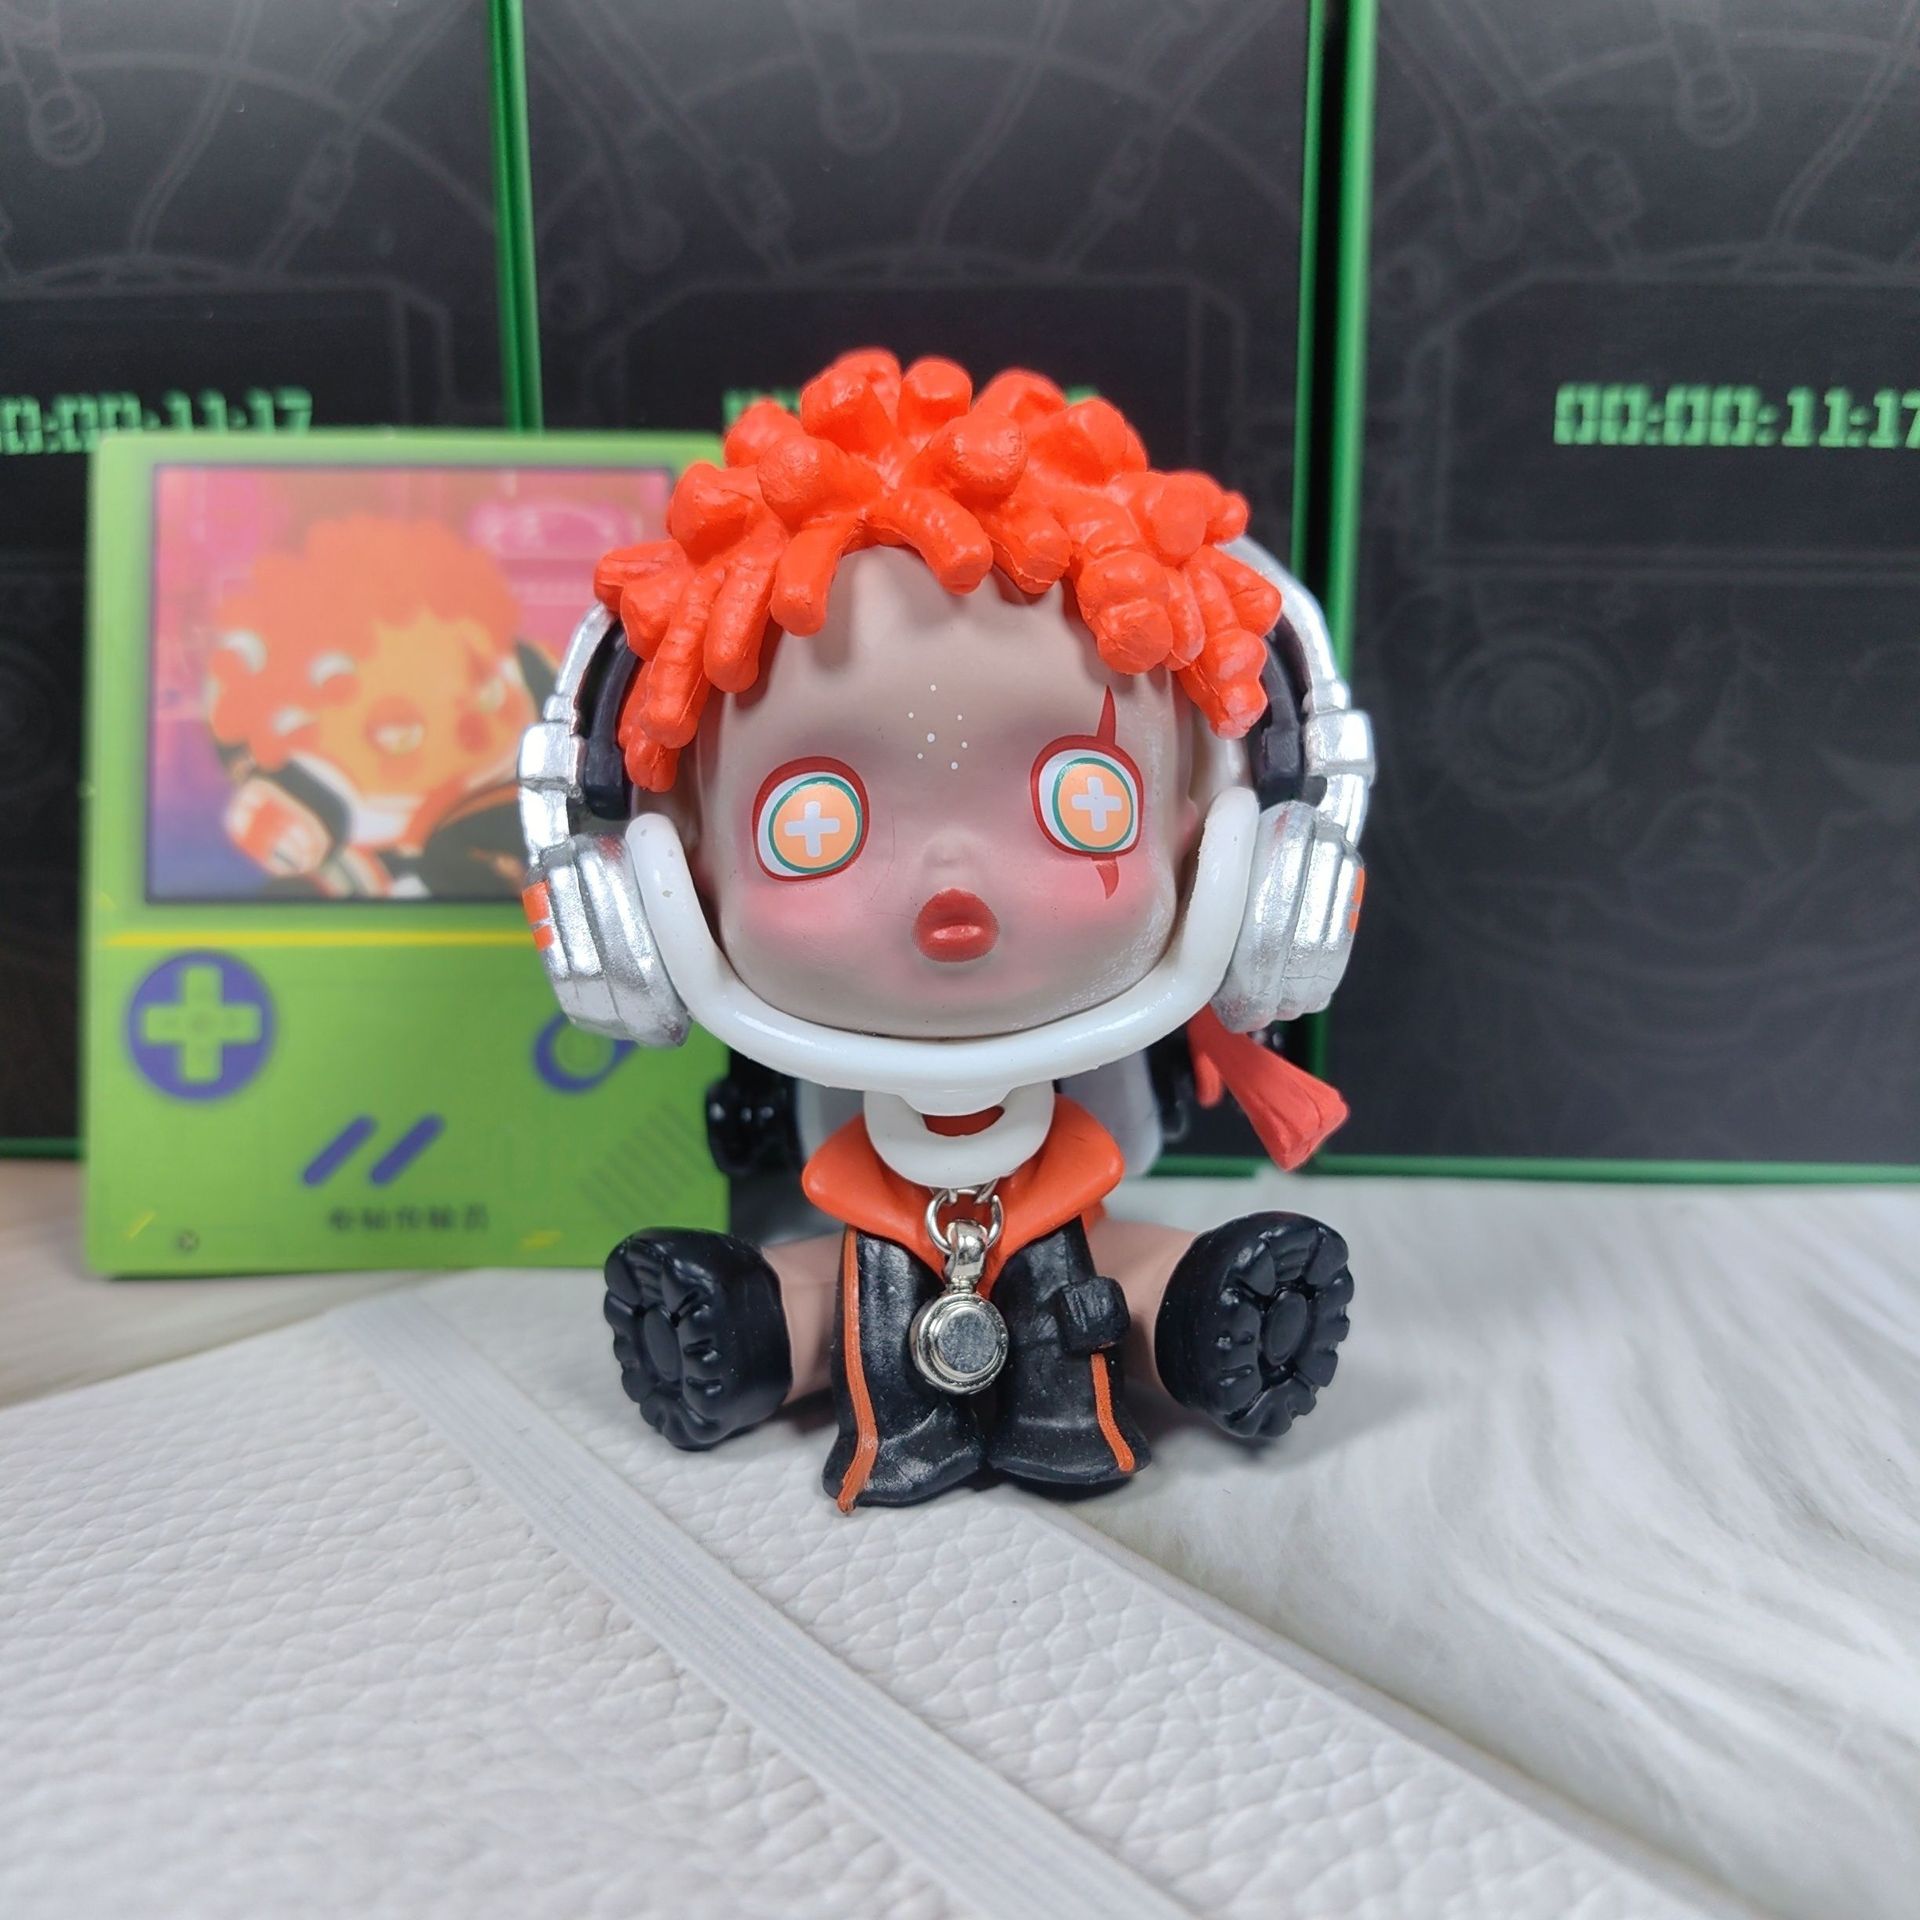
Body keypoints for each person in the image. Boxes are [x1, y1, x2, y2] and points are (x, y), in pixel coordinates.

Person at [522, 350, 1369, 1510]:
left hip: (1067, 1200)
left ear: (1226, 843)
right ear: (662, 874)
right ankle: (754, 1331)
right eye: (815, 823)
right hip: (873, 1191)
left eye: (1082, 800)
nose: (950, 889)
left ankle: (1198, 1319)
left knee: (1105, 1266)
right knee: (847, 1281)